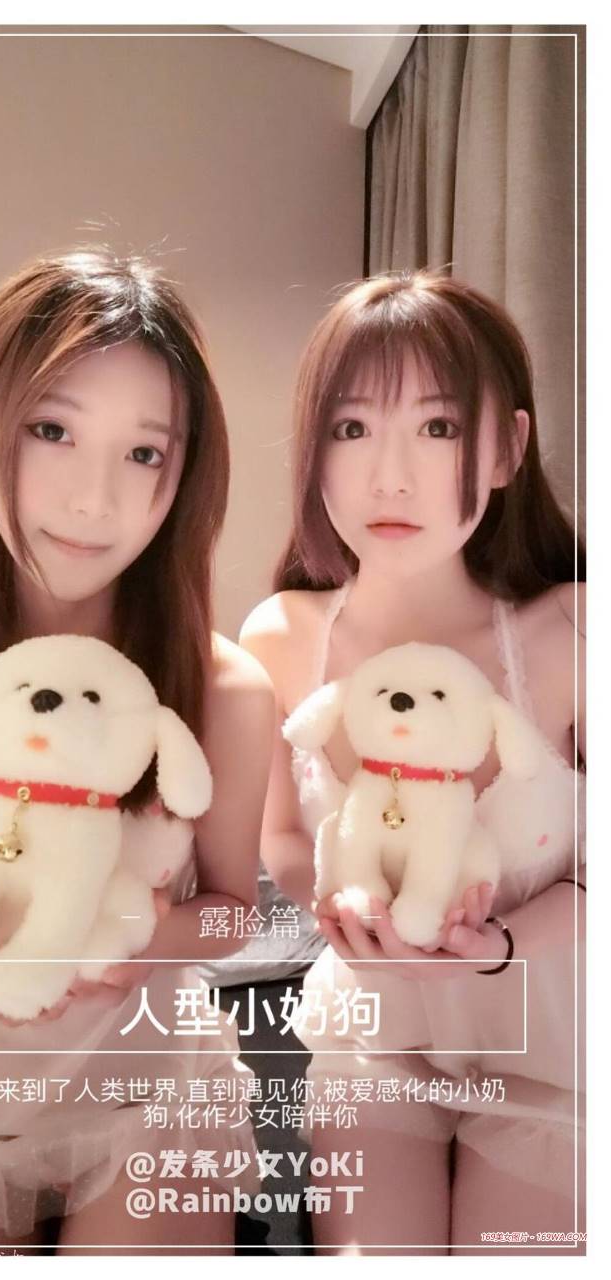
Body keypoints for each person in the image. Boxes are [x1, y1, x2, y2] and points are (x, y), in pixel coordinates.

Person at [0, 247, 275, 1255]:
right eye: (53, 430)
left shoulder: (223, 689)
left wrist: (142, 940)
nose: (93, 500)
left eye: (143, 453)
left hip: (145, 1095)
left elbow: (236, 915)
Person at [240, 271, 585, 1256]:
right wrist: (335, 902)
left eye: (437, 427)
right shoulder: (284, 636)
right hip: (374, 1035)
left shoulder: (571, 632)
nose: (389, 476)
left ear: (507, 448)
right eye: (351, 428)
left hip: (556, 1048)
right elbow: (281, 836)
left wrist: (502, 942)